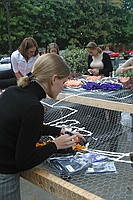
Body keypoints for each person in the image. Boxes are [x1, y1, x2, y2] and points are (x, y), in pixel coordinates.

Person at [0, 53, 85, 200]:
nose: (63, 87)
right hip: (5, 175)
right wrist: (55, 145)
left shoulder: (11, 92)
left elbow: (20, 126)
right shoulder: (33, 107)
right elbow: (24, 162)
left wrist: (58, 130)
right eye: (63, 82)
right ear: (54, 79)